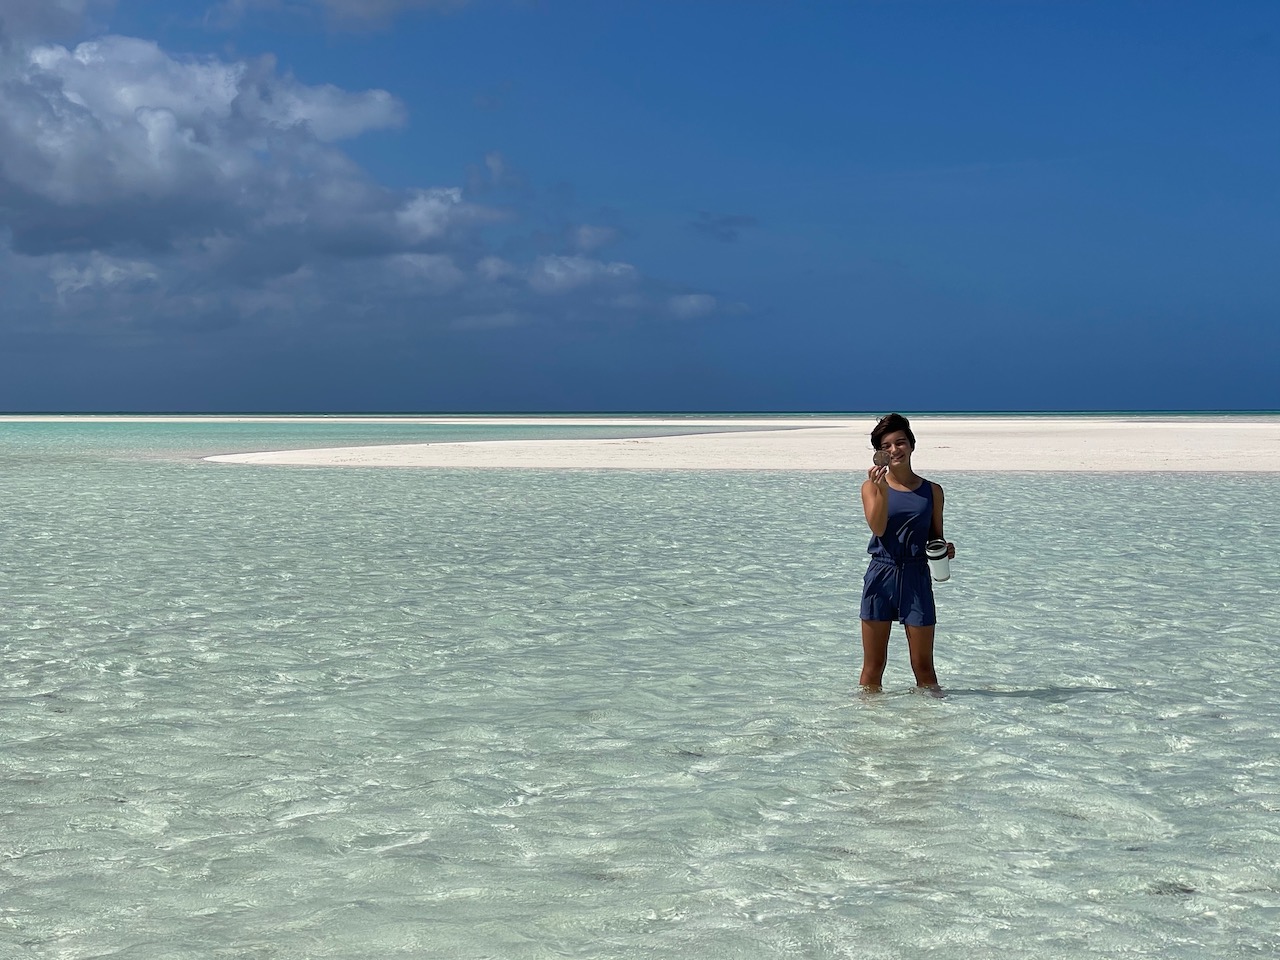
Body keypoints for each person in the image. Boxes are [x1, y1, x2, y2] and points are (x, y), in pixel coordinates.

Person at [859, 413, 956, 691]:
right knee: (874, 665)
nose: (894, 450)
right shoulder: (870, 487)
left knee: (924, 667)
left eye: (900, 442)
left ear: (912, 445)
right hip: (881, 574)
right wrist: (882, 491)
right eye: (886, 446)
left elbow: (935, 536)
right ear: (880, 454)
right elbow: (878, 528)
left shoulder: (933, 491)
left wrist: (944, 549)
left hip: (916, 577)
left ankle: (931, 717)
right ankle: (867, 716)